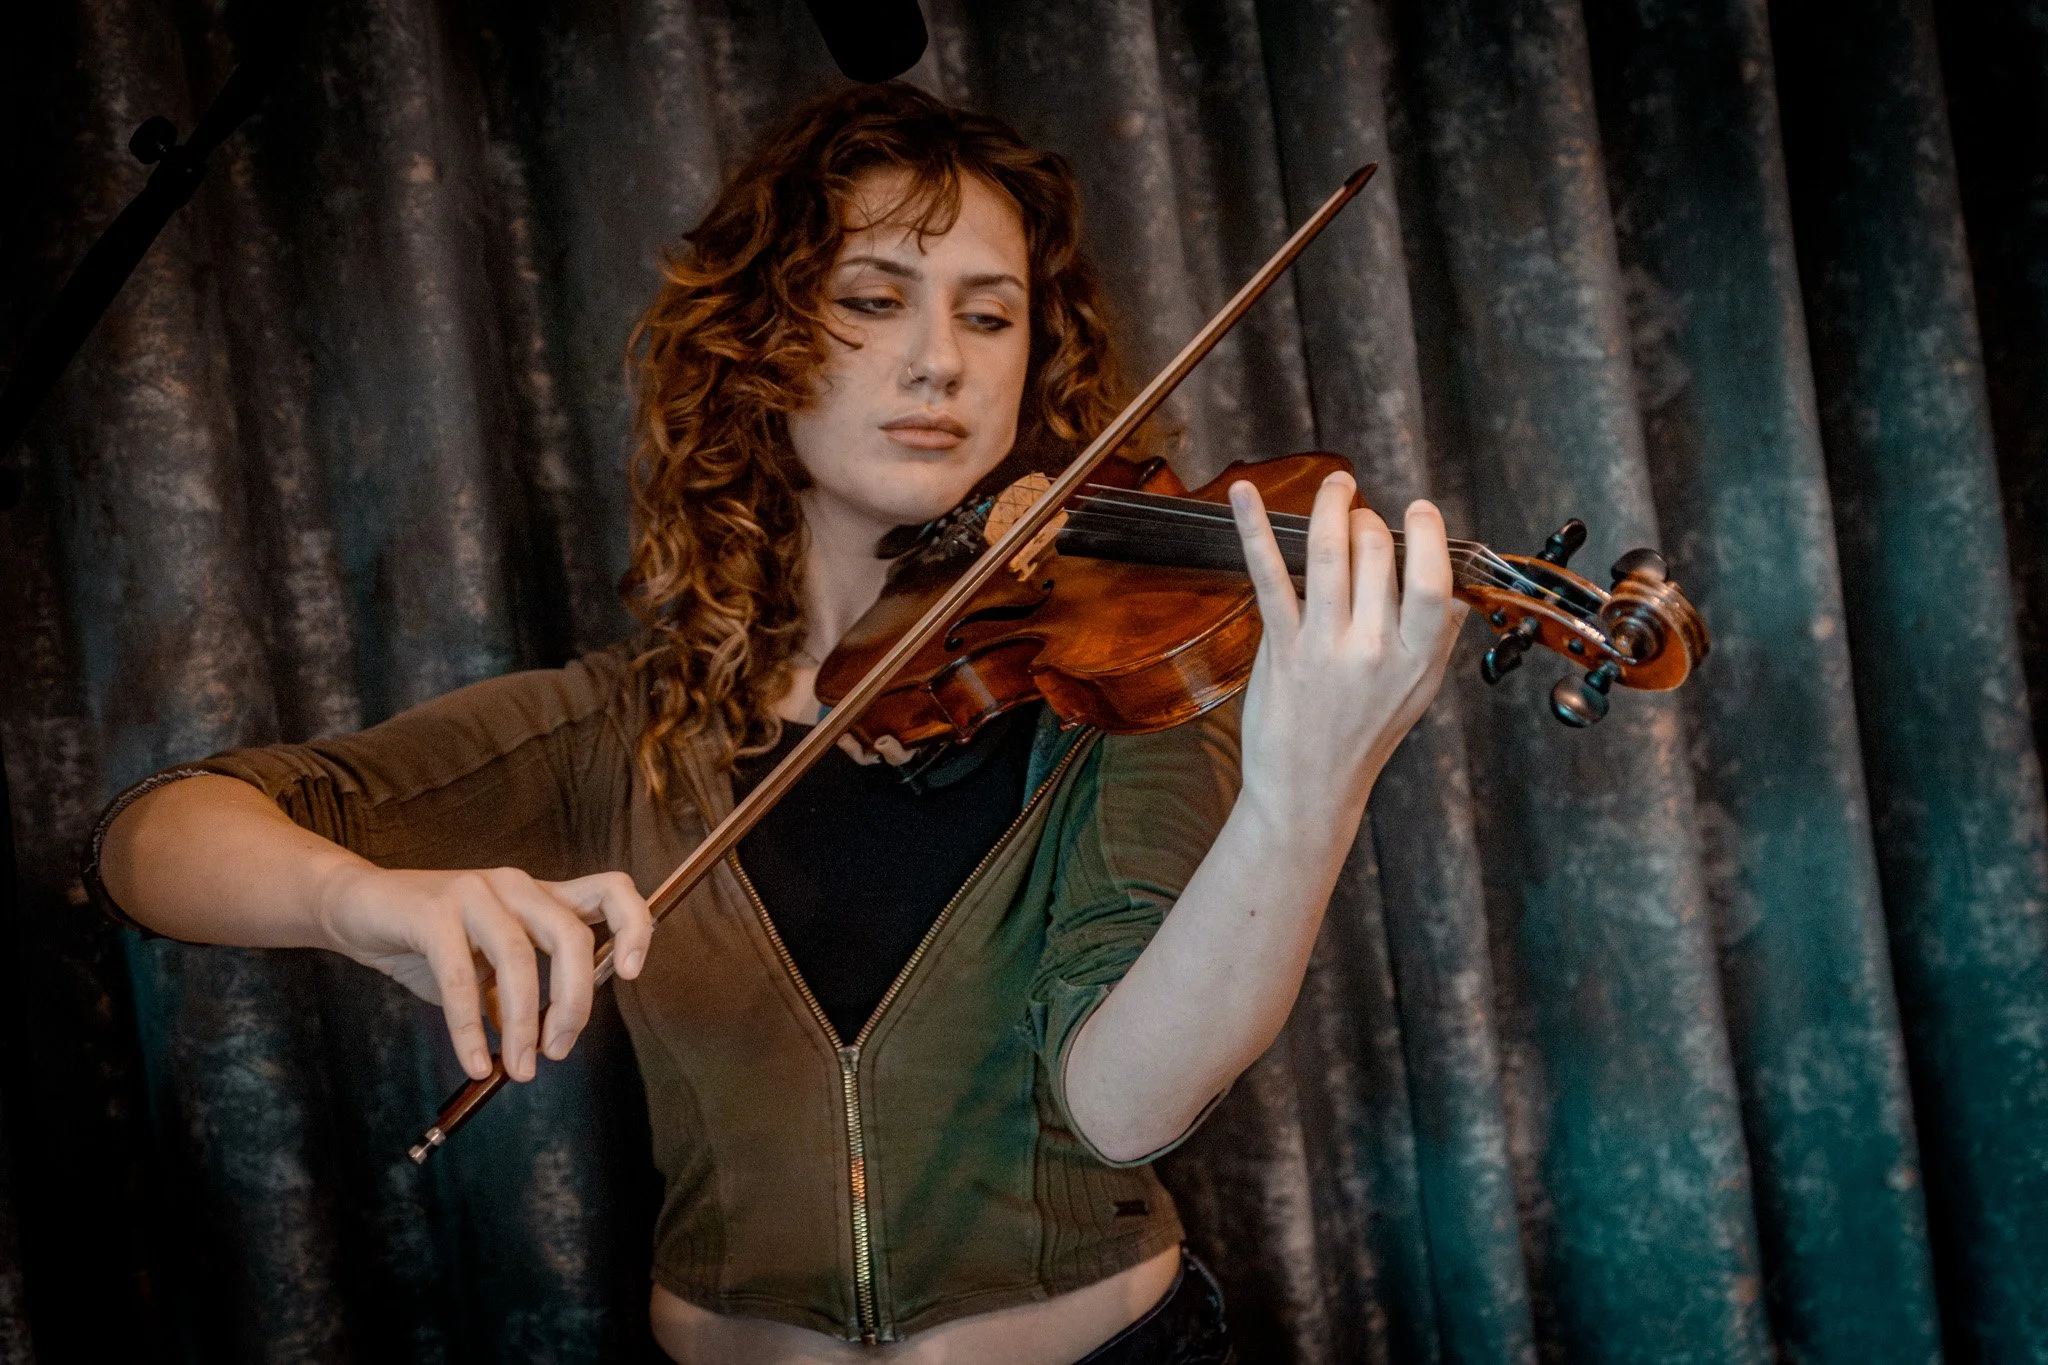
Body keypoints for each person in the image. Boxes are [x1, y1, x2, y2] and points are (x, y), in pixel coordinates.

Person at [88, 83, 1464, 1363]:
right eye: (876, 299)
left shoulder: (1111, 677)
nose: (940, 362)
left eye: (990, 316)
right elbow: (152, 842)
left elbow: (1123, 1108)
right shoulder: (614, 728)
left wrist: (1308, 793)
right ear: (761, 345)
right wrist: (365, 908)